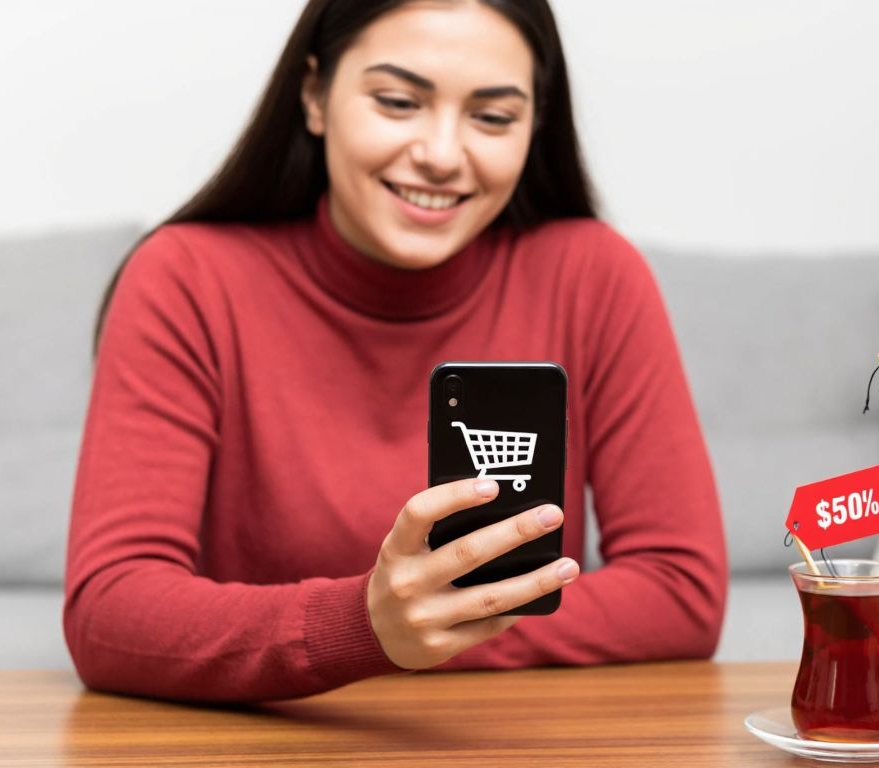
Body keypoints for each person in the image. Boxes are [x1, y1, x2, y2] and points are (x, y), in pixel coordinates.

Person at [64, 0, 727, 703]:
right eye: (398, 101)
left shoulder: (593, 275)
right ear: (315, 95)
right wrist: (363, 627)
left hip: (507, 739)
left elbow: (679, 591)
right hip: (269, 740)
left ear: (536, 123)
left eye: (493, 117)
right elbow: (112, 609)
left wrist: (404, 635)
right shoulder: (186, 279)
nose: (442, 155)